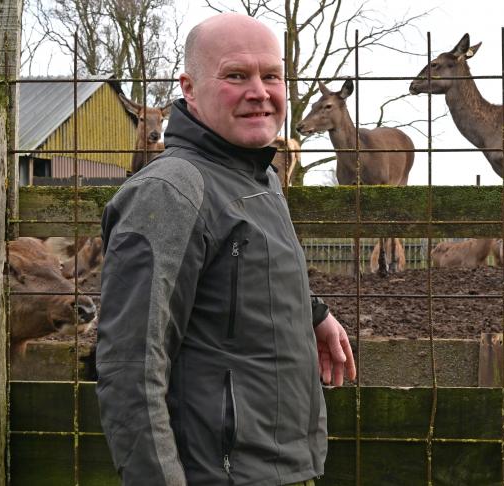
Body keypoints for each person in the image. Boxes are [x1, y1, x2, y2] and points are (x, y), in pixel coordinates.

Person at [96, 13, 356, 486]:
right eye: (236, 75)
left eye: (271, 75)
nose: (259, 92)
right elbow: (129, 368)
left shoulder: (259, 175)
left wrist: (312, 312)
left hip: (281, 466)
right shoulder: (170, 192)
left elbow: (242, 267)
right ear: (190, 89)